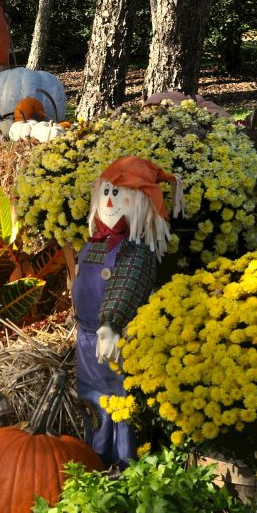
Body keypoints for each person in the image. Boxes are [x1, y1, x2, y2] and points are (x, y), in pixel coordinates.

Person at [72, 156, 182, 467]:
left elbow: (125, 287)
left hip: (118, 340)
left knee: (120, 403)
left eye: (118, 193)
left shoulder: (135, 251)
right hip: (86, 338)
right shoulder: (92, 245)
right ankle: (93, 457)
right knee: (91, 400)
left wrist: (111, 324)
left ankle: (123, 463)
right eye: (106, 191)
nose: (108, 200)